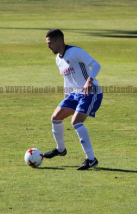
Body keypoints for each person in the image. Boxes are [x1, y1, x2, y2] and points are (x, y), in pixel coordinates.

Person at [43, 29, 103, 170]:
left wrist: (89, 81)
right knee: (55, 117)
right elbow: (67, 79)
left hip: (91, 93)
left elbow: (96, 65)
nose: (48, 46)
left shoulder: (75, 52)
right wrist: (66, 96)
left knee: (76, 122)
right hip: (74, 94)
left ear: (59, 41)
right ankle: (61, 150)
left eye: (50, 43)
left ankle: (91, 159)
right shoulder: (58, 59)